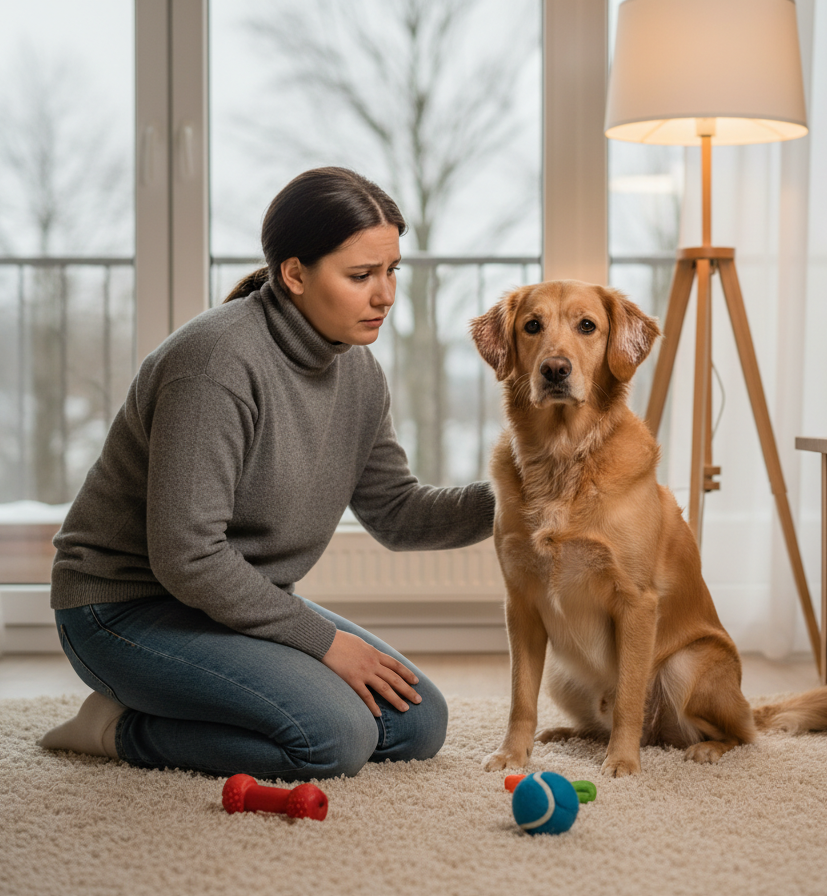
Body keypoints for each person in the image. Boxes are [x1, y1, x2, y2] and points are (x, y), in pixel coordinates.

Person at [38, 167, 495, 781]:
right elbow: (187, 555)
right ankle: (119, 727)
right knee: (335, 738)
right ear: (295, 274)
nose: (385, 295)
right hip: (122, 610)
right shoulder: (217, 362)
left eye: (391, 271)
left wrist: (521, 496)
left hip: (225, 606)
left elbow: (397, 512)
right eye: (361, 275)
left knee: (416, 723)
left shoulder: (359, 373)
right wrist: (326, 644)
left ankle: (202, 703)